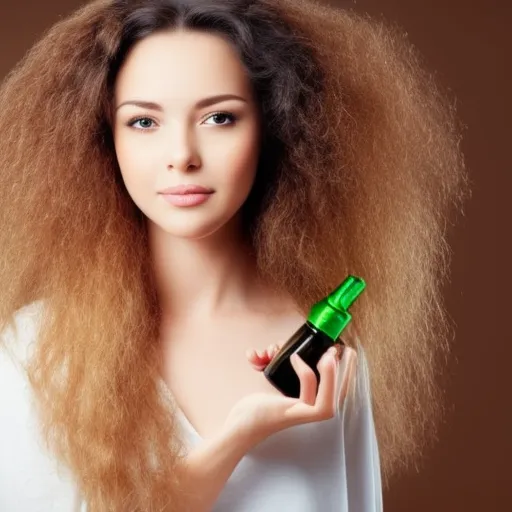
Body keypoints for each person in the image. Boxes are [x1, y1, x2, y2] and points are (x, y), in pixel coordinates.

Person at [0, 0, 467, 510]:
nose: (182, 154)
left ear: (276, 127)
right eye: (143, 122)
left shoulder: (326, 363)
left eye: (220, 117)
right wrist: (237, 439)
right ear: (101, 137)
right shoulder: (31, 353)